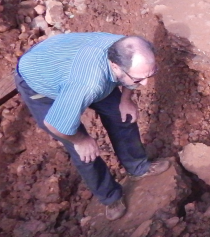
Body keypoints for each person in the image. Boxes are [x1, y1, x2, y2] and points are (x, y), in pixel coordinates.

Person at [13, 32, 170, 220]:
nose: (145, 84)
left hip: (70, 62)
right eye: (138, 80)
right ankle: (110, 197)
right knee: (84, 152)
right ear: (115, 66)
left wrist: (125, 100)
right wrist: (81, 141)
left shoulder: (125, 48)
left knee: (122, 116)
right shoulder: (89, 83)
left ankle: (138, 167)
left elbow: (135, 75)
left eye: (149, 75)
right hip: (41, 79)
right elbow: (54, 124)